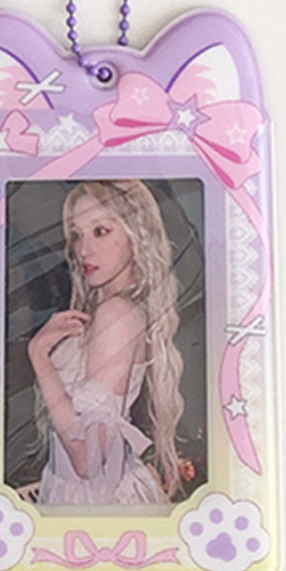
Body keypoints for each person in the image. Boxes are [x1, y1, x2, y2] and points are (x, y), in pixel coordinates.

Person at [28, 180, 185, 506]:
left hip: (95, 502)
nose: (83, 250)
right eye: (77, 234)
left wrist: (39, 355)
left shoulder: (116, 313)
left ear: (136, 233)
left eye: (100, 231)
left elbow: (87, 460)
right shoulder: (111, 308)